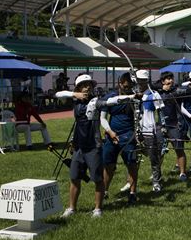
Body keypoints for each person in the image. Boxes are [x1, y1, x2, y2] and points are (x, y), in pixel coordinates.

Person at [56, 74, 136, 218]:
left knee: (97, 179)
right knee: (74, 177)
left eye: (89, 85)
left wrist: (131, 97)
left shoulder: (96, 101)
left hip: (93, 146)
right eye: (84, 85)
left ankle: (97, 209)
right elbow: (58, 94)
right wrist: (75, 94)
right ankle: (71, 208)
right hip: (79, 146)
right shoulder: (75, 100)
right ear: (78, 87)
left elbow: (112, 101)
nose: (87, 87)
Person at [100, 73, 139, 205]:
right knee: (108, 165)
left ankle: (133, 193)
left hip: (129, 134)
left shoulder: (134, 96)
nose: (129, 89)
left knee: (132, 164)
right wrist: (110, 131)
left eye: (131, 86)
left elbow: (139, 115)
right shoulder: (110, 97)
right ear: (120, 83)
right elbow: (102, 118)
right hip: (111, 135)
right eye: (126, 86)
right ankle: (104, 191)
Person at [135, 69, 166, 193]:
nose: (140, 83)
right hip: (135, 130)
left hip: (149, 130)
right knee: (133, 158)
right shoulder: (132, 94)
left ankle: (156, 181)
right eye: (138, 81)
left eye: (143, 81)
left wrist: (162, 126)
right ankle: (131, 183)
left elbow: (161, 111)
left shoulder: (154, 94)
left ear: (147, 81)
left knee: (153, 157)